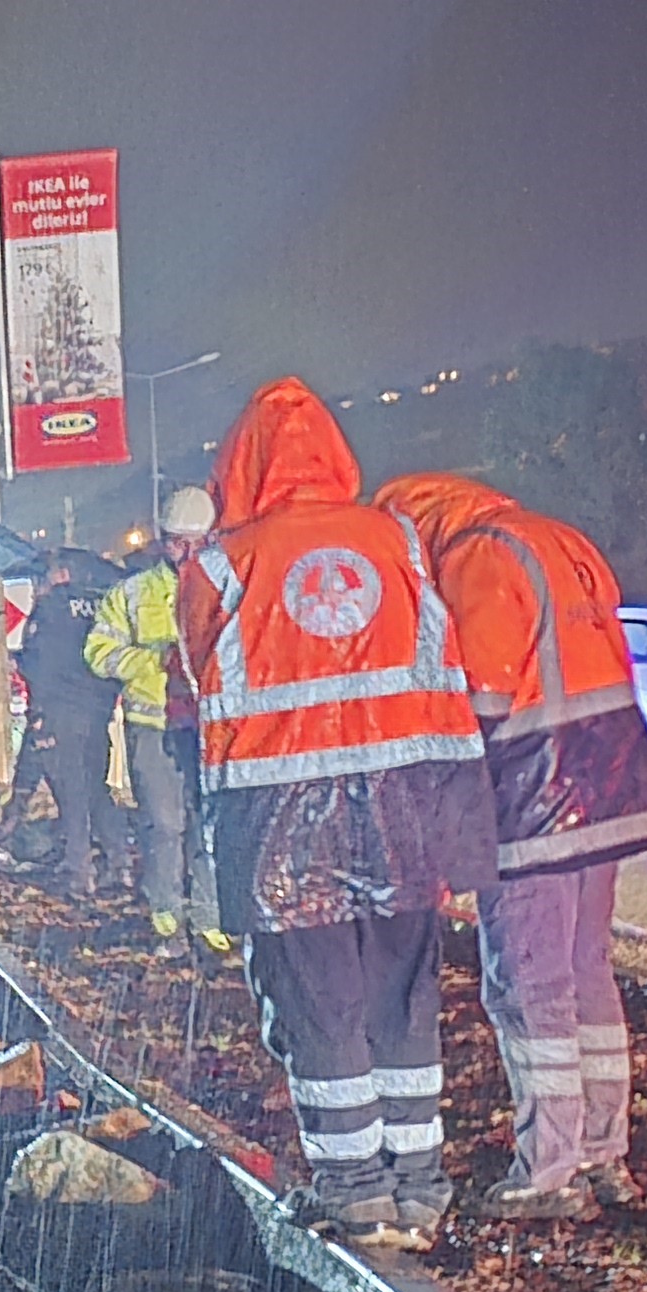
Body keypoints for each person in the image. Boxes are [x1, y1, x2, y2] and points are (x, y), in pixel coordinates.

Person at [179, 380, 497, 1246]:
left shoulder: (221, 560)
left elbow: (195, 673)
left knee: (319, 1002)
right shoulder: (395, 537)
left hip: (281, 813)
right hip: (406, 802)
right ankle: (421, 1184)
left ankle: (354, 1187)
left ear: (239, 463)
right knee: (403, 995)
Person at [372, 473, 647, 1220]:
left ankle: (548, 1171)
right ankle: (606, 1153)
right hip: (609, 777)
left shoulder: (477, 557)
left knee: (528, 985)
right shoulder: (560, 537)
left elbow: (480, 694)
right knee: (586, 977)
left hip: (536, 792)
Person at [90, 488, 233, 956]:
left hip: (210, 727)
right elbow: (99, 652)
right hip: (152, 725)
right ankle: (166, 915)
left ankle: (210, 917)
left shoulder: (226, 586)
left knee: (206, 825)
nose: (186, 553)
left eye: (196, 543)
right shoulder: (132, 593)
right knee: (165, 825)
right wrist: (153, 662)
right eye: (177, 542)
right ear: (162, 541)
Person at [10, 555, 123, 901]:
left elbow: (38, 662)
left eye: (41, 579)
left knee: (71, 792)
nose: (38, 586)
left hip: (61, 710)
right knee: (96, 788)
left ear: (60, 575)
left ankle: (79, 872)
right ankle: (120, 865)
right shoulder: (101, 603)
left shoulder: (51, 607)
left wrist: (23, 669)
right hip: (97, 710)